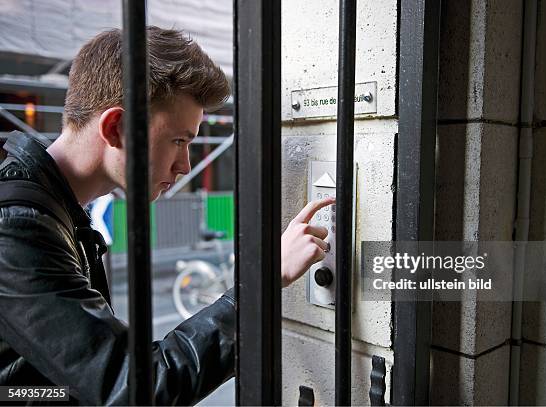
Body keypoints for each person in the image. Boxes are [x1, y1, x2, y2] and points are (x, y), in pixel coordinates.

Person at [0, 26, 332, 405]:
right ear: (117, 128)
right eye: (179, 140)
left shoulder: (51, 209)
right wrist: (259, 286)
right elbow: (135, 389)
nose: (184, 165)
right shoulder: (19, 227)